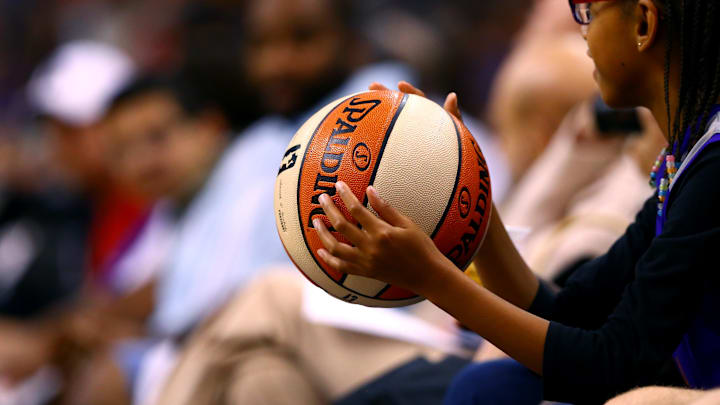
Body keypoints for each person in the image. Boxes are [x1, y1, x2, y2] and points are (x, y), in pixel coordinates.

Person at [314, 0, 720, 403]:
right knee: (490, 385)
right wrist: (467, 190)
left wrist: (432, 279)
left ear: (644, 24)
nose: (582, 30)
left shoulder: (713, 171)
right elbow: (567, 312)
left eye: (588, 10)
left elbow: (612, 362)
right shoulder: (688, 159)